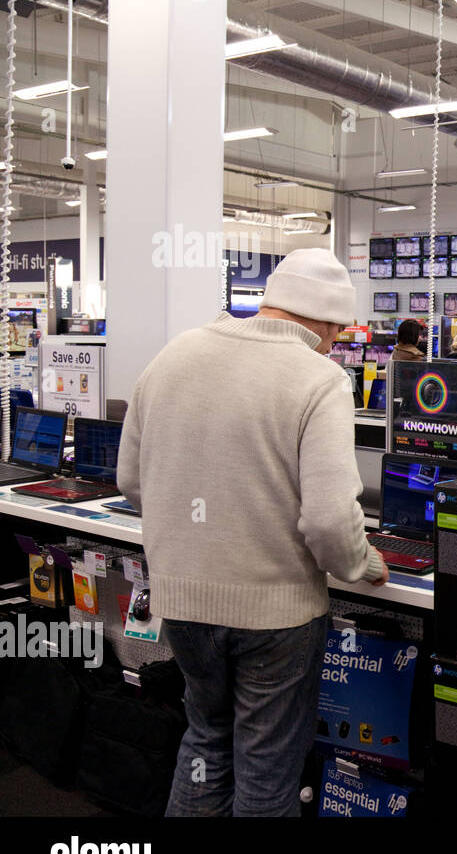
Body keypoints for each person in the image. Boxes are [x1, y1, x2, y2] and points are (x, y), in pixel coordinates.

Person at [116, 249, 388, 817]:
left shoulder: (174, 355)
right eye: (339, 330)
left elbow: (131, 482)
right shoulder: (320, 379)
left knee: (205, 744)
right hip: (276, 618)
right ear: (329, 321)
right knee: (266, 773)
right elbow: (331, 521)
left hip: (184, 604)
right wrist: (360, 564)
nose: (337, 343)